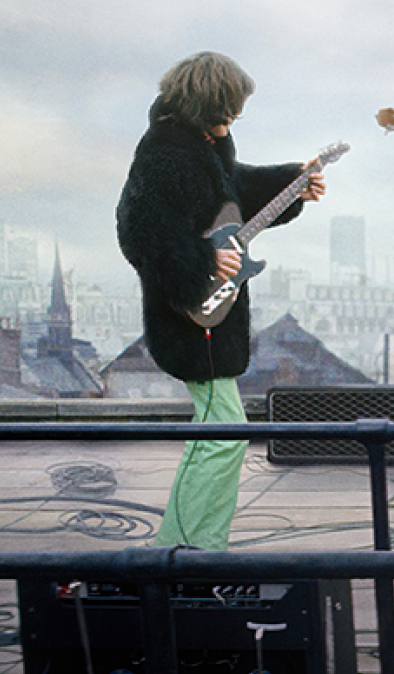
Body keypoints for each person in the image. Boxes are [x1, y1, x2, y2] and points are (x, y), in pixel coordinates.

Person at [116, 51, 325, 550]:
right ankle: (185, 548)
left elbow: (233, 191)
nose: (231, 121)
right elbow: (139, 234)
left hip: (212, 312)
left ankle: (195, 545)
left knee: (219, 433)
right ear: (203, 104)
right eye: (227, 111)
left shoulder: (202, 143)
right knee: (222, 434)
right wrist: (204, 262)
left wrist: (294, 182)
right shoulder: (163, 156)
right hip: (192, 315)